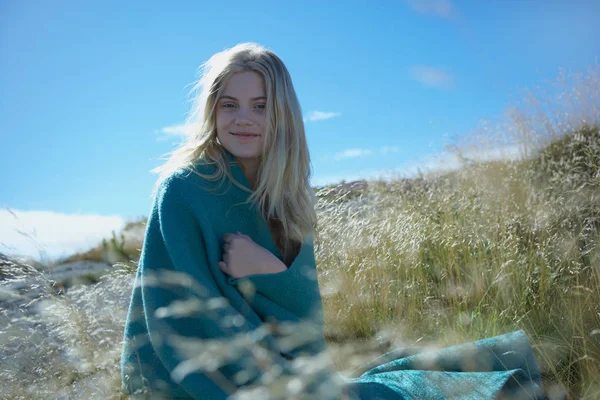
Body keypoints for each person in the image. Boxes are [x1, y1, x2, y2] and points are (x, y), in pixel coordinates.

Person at [120, 43, 546, 399]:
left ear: (282, 113)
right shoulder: (183, 191)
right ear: (213, 111)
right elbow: (177, 321)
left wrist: (267, 271)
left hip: (288, 369)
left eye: (260, 105)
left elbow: (307, 320)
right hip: (200, 382)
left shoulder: (287, 196)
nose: (243, 118)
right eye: (229, 104)